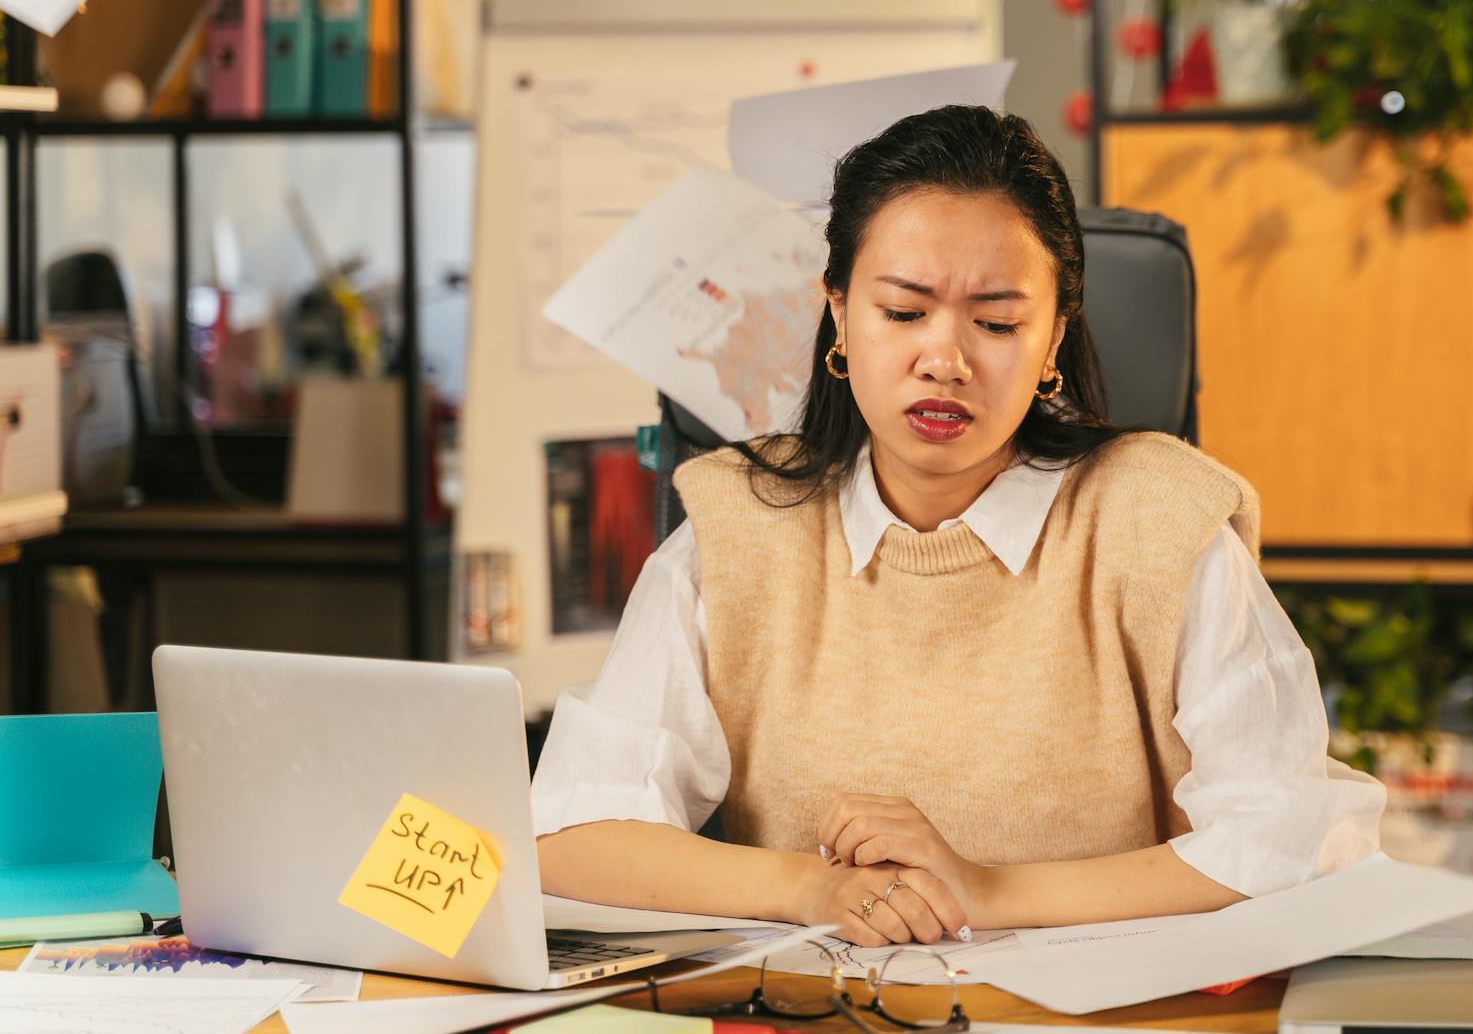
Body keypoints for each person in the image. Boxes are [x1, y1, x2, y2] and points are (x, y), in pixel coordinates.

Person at [532, 105, 1383, 948]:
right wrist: (810, 886)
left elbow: (1300, 835)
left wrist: (988, 891)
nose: (945, 358)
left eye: (998, 322)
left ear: (1054, 338)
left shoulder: (1163, 523)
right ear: (838, 312)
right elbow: (569, 832)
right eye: (904, 312)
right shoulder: (741, 527)